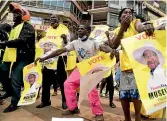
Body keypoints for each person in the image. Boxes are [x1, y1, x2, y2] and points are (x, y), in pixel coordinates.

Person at [35, 24, 115, 121]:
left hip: (91, 69)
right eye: (79, 29)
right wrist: (44, 58)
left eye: (82, 29)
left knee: (91, 90)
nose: (79, 30)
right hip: (81, 67)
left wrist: (112, 51)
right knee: (68, 84)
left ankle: (98, 113)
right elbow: (60, 51)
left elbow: (104, 48)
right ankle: (73, 108)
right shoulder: (75, 42)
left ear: (88, 31)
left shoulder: (93, 42)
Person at [106, 8, 154, 121]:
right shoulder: (118, 29)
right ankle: (127, 118)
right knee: (123, 96)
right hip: (124, 68)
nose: (128, 14)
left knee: (136, 95)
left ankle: (137, 117)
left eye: (130, 13)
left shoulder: (135, 22)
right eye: (125, 13)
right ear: (120, 17)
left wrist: (147, 26)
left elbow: (140, 27)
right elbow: (113, 45)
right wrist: (122, 28)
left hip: (138, 67)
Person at [0, 2, 35, 113]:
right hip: (11, 57)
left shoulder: (28, 27)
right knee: (2, 70)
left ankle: (14, 102)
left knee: (15, 78)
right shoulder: (14, 27)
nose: (14, 15)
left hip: (23, 57)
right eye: (13, 14)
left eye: (17, 14)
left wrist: (4, 43)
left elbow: (21, 40)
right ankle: (9, 91)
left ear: (23, 15)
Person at [36, 14, 69, 110]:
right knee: (45, 81)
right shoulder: (47, 30)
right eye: (51, 19)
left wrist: (65, 39)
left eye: (54, 19)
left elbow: (68, 44)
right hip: (47, 59)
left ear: (59, 20)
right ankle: (45, 101)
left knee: (62, 81)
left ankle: (64, 101)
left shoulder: (64, 29)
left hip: (59, 58)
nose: (52, 21)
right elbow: (43, 42)